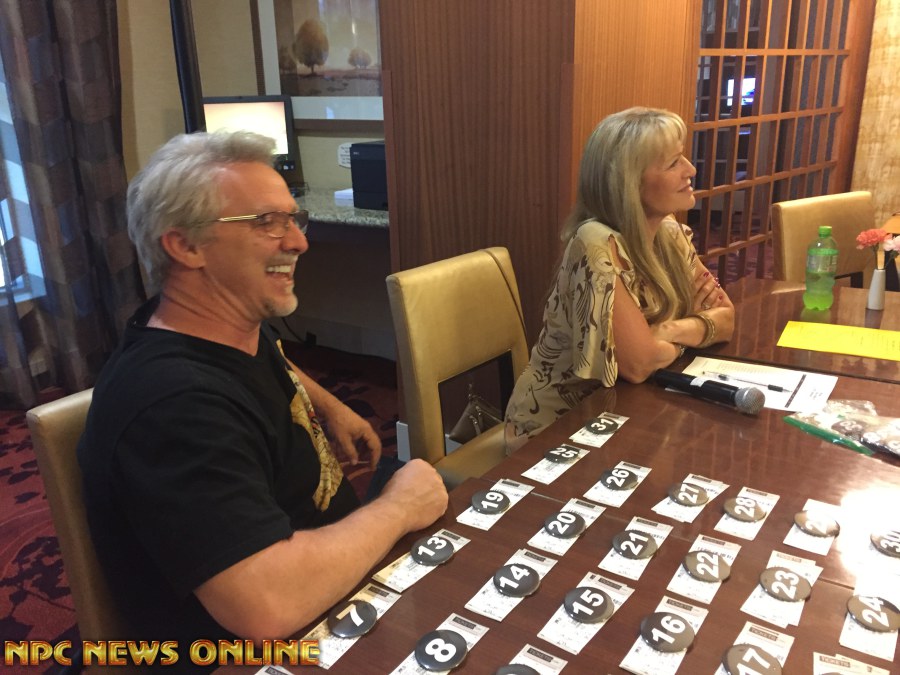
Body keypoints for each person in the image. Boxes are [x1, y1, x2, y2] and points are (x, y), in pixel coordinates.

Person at [77, 130, 448, 663]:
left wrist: (329, 405)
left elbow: (269, 353)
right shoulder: (174, 404)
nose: (298, 242)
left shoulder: (225, 322)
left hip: (332, 567)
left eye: (294, 219)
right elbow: (266, 606)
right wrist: (398, 509)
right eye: (266, 222)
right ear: (185, 246)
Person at [505, 107, 734, 451]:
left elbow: (727, 319)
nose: (691, 169)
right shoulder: (595, 242)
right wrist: (695, 330)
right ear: (628, 182)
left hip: (626, 410)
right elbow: (639, 365)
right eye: (673, 163)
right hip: (558, 427)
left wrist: (668, 331)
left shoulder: (670, 232)